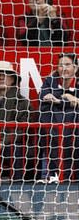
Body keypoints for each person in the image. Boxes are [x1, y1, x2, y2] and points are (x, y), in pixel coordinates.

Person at [39, 53, 79, 183]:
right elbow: (44, 99)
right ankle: (51, 176)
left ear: (76, 68)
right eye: (60, 65)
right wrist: (67, 98)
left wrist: (58, 100)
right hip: (53, 135)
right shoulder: (50, 81)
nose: (64, 68)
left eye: (67, 64)